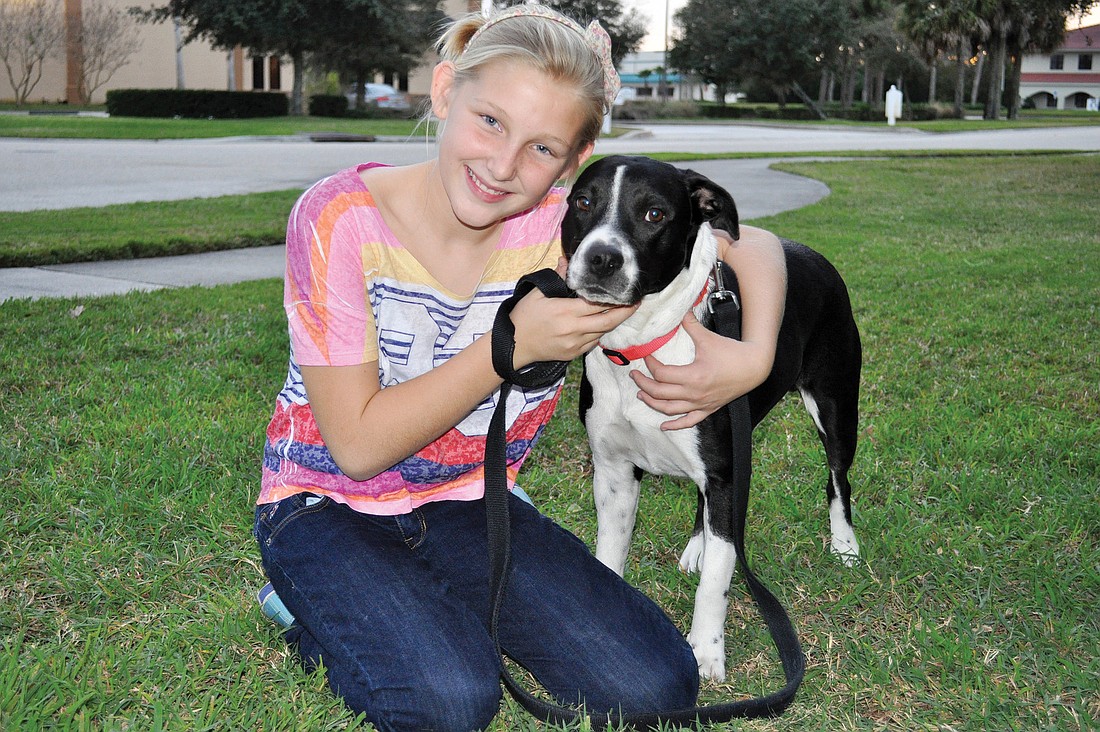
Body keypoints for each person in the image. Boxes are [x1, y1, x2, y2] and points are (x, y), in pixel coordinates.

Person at [253, 5, 788, 731]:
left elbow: (753, 243)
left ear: (574, 163)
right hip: (326, 506)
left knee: (657, 684)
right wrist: (510, 349)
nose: (504, 166)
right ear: (444, 93)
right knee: (451, 701)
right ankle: (303, 600)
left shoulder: (566, 226)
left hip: (474, 502)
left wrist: (753, 359)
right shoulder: (338, 219)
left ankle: (432, 593)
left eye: (542, 149)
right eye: (490, 121)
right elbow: (356, 448)